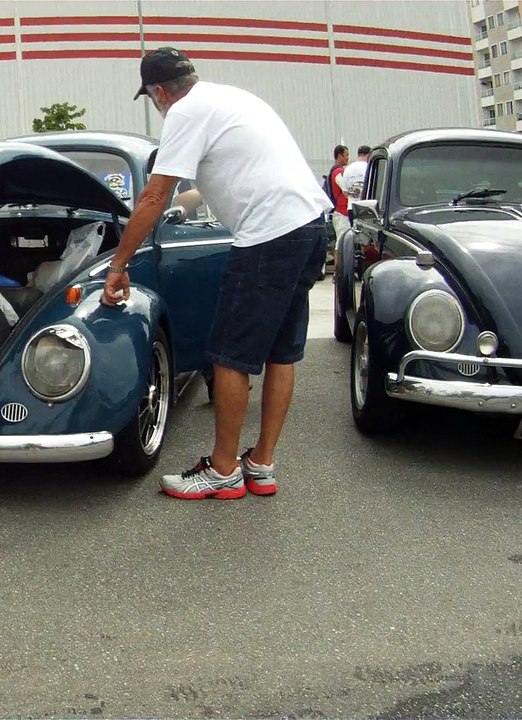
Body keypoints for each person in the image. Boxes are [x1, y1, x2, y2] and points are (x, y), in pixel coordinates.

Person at [108, 47, 330, 499]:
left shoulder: (184, 112)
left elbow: (154, 197)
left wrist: (118, 264)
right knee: (280, 353)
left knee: (228, 354)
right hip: (310, 225)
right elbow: (202, 186)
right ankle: (261, 464)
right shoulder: (231, 99)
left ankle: (224, 470)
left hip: (268, 235)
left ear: (158, 92)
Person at [327, 144, 351, 241]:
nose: (348, 158)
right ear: (340, 156)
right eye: (346, 155)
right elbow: (345, 189)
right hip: (342, 213)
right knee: (342, 242)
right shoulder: (338, 171)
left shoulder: (337, 170)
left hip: (342, 213)